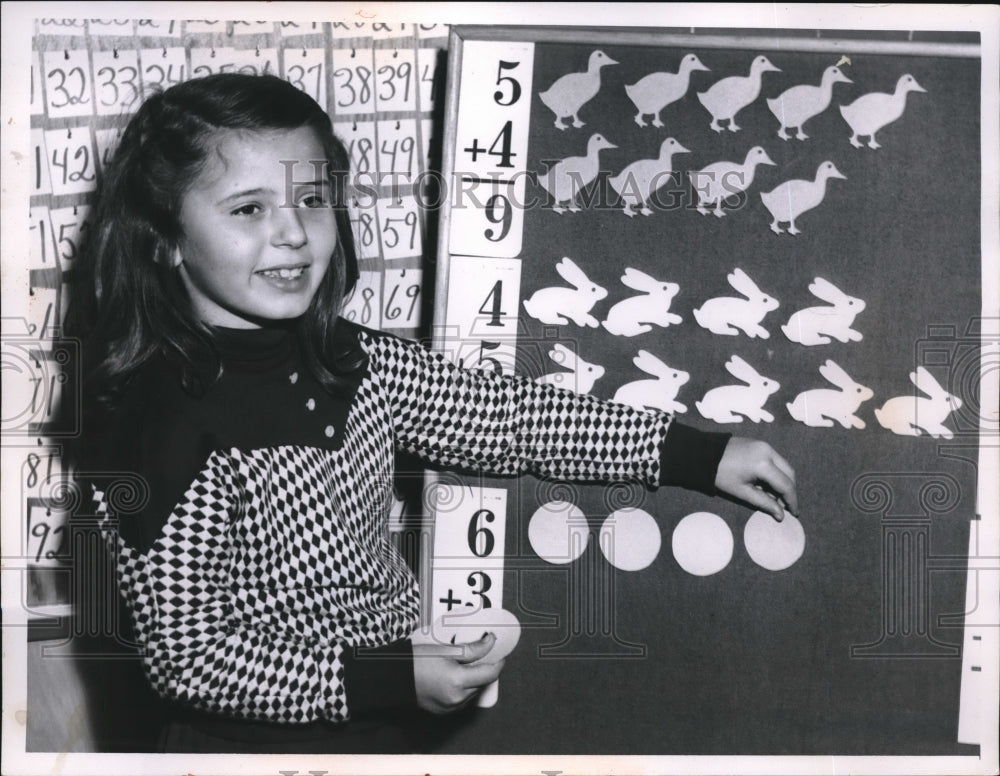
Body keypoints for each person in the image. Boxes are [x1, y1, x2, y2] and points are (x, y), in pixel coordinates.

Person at [64, 73, 798, 754]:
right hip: (247, 750)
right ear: (162, 238)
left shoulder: (356, 361)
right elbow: (189, 659)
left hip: (381, 727)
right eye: (250, 208)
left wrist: (694, 453)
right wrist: (384, 675)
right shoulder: (154, 424)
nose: (293, 233)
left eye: (313, 200)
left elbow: (508, 417)